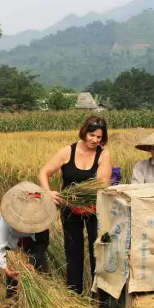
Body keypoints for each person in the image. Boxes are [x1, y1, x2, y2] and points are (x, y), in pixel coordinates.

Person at [37, 116, 112, 295]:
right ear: (84, 132)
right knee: (73, 251)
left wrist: (85, 196)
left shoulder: (103, 154)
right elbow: (44, 172)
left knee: (97, 251)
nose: (94, 140)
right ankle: (74, 295)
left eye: (99, 137)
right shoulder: (67, 151)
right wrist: (48, 192)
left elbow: (102, 184)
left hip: (94, 209)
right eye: (91, 135)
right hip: (69, 209)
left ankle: (99, 296)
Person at [0, 181, 56, 298]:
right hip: (12, 242)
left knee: (41, 269)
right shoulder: (6, 221)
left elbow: (42, 243)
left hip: (31, 241)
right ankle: (12, 301)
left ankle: (43, 296)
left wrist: (32, 261)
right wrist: (7, 270)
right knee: (13, 276)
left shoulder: (41, 216)